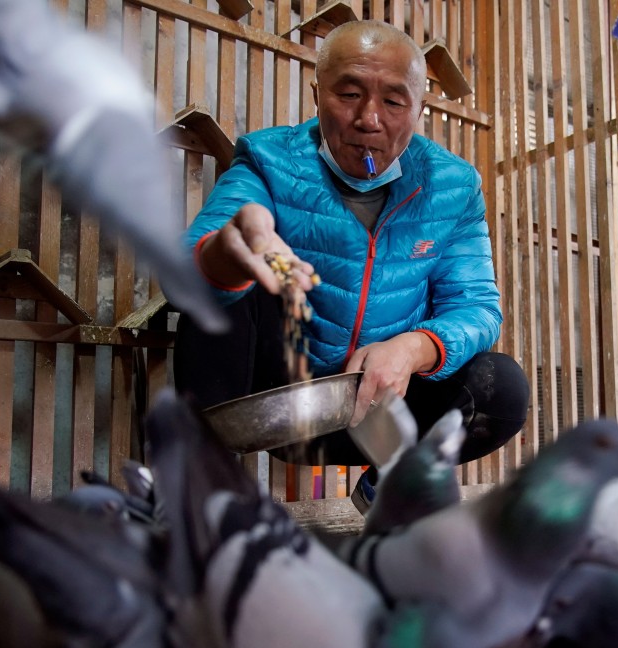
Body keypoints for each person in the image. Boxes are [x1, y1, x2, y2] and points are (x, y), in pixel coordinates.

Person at [173, 19, 529, 511]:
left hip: (383, 411)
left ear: (419, 108)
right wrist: (225, 255)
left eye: (394, 101)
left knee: (501, 388)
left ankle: (390, 483)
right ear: (317, 94)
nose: (369, 119)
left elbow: (478, 308)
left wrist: (410, 349)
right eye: (349, 94)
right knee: (232, 281)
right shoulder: (267, 158)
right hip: (277, 407)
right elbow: (189, 276)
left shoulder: (454, 185)